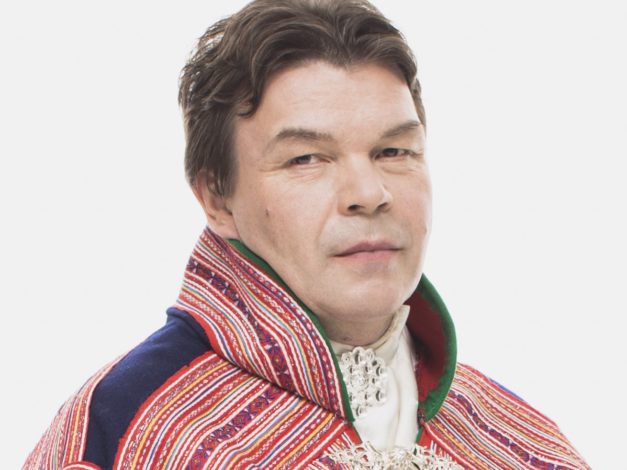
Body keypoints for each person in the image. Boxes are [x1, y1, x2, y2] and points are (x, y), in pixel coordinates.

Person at [24, 0, 589, 468]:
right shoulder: (126, 430)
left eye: (394, 151)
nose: (368, 192)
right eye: (306, 159)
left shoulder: (525, 443)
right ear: (217, 197)